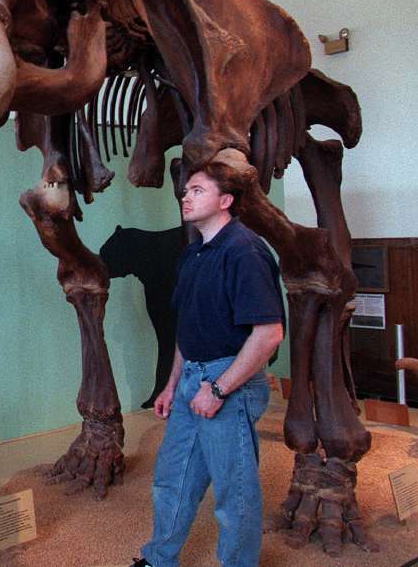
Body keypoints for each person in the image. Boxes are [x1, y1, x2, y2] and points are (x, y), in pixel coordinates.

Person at [135, 163, 285, 567]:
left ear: (225, 201)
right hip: (192, 381)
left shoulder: (245, 251)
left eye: (197, 190)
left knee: (234, 493)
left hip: (228, 382)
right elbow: (188, 329)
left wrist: (218, 389)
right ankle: (158, 558)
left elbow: (269, 334)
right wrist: (171, 385)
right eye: (186, 191)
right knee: (172, 479)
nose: (186, 196)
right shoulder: (192, 255)